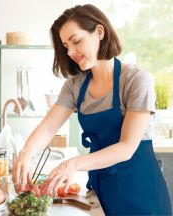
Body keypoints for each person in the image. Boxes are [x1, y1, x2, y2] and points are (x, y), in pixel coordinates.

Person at [12, 4, 172, 215]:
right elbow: (48, 128)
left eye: (76, 41)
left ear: (99, 32)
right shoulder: (75, 86)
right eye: (65, 45)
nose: (70, 52)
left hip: (141, 193)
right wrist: (25, 154)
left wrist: (73, 165)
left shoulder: (135, 80)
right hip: (101, 189)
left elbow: (127, 147)